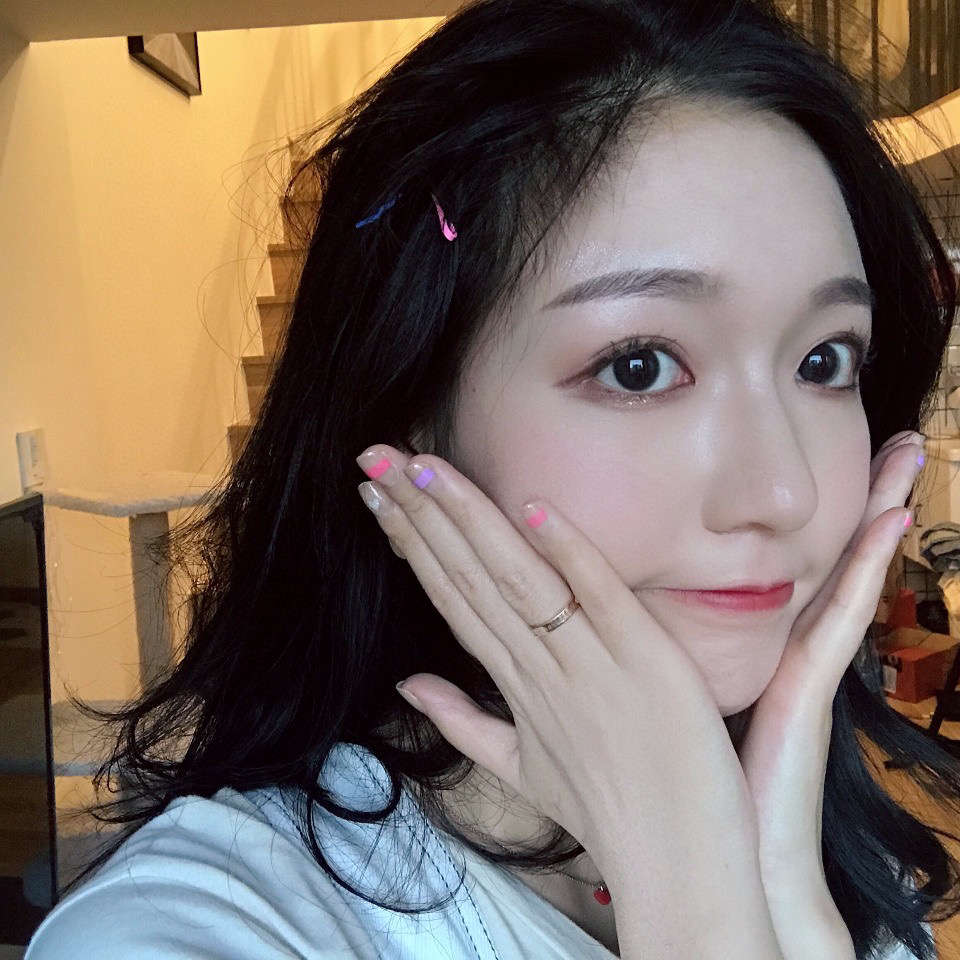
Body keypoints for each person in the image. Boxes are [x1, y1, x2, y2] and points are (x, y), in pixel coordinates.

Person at [25, 0, 960, 957]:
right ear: (410, 410)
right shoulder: (187, 932)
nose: (784, 494)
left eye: (824, 362)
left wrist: (774, 881)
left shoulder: (838, 858)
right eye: (639, 366)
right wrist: (697, 897)